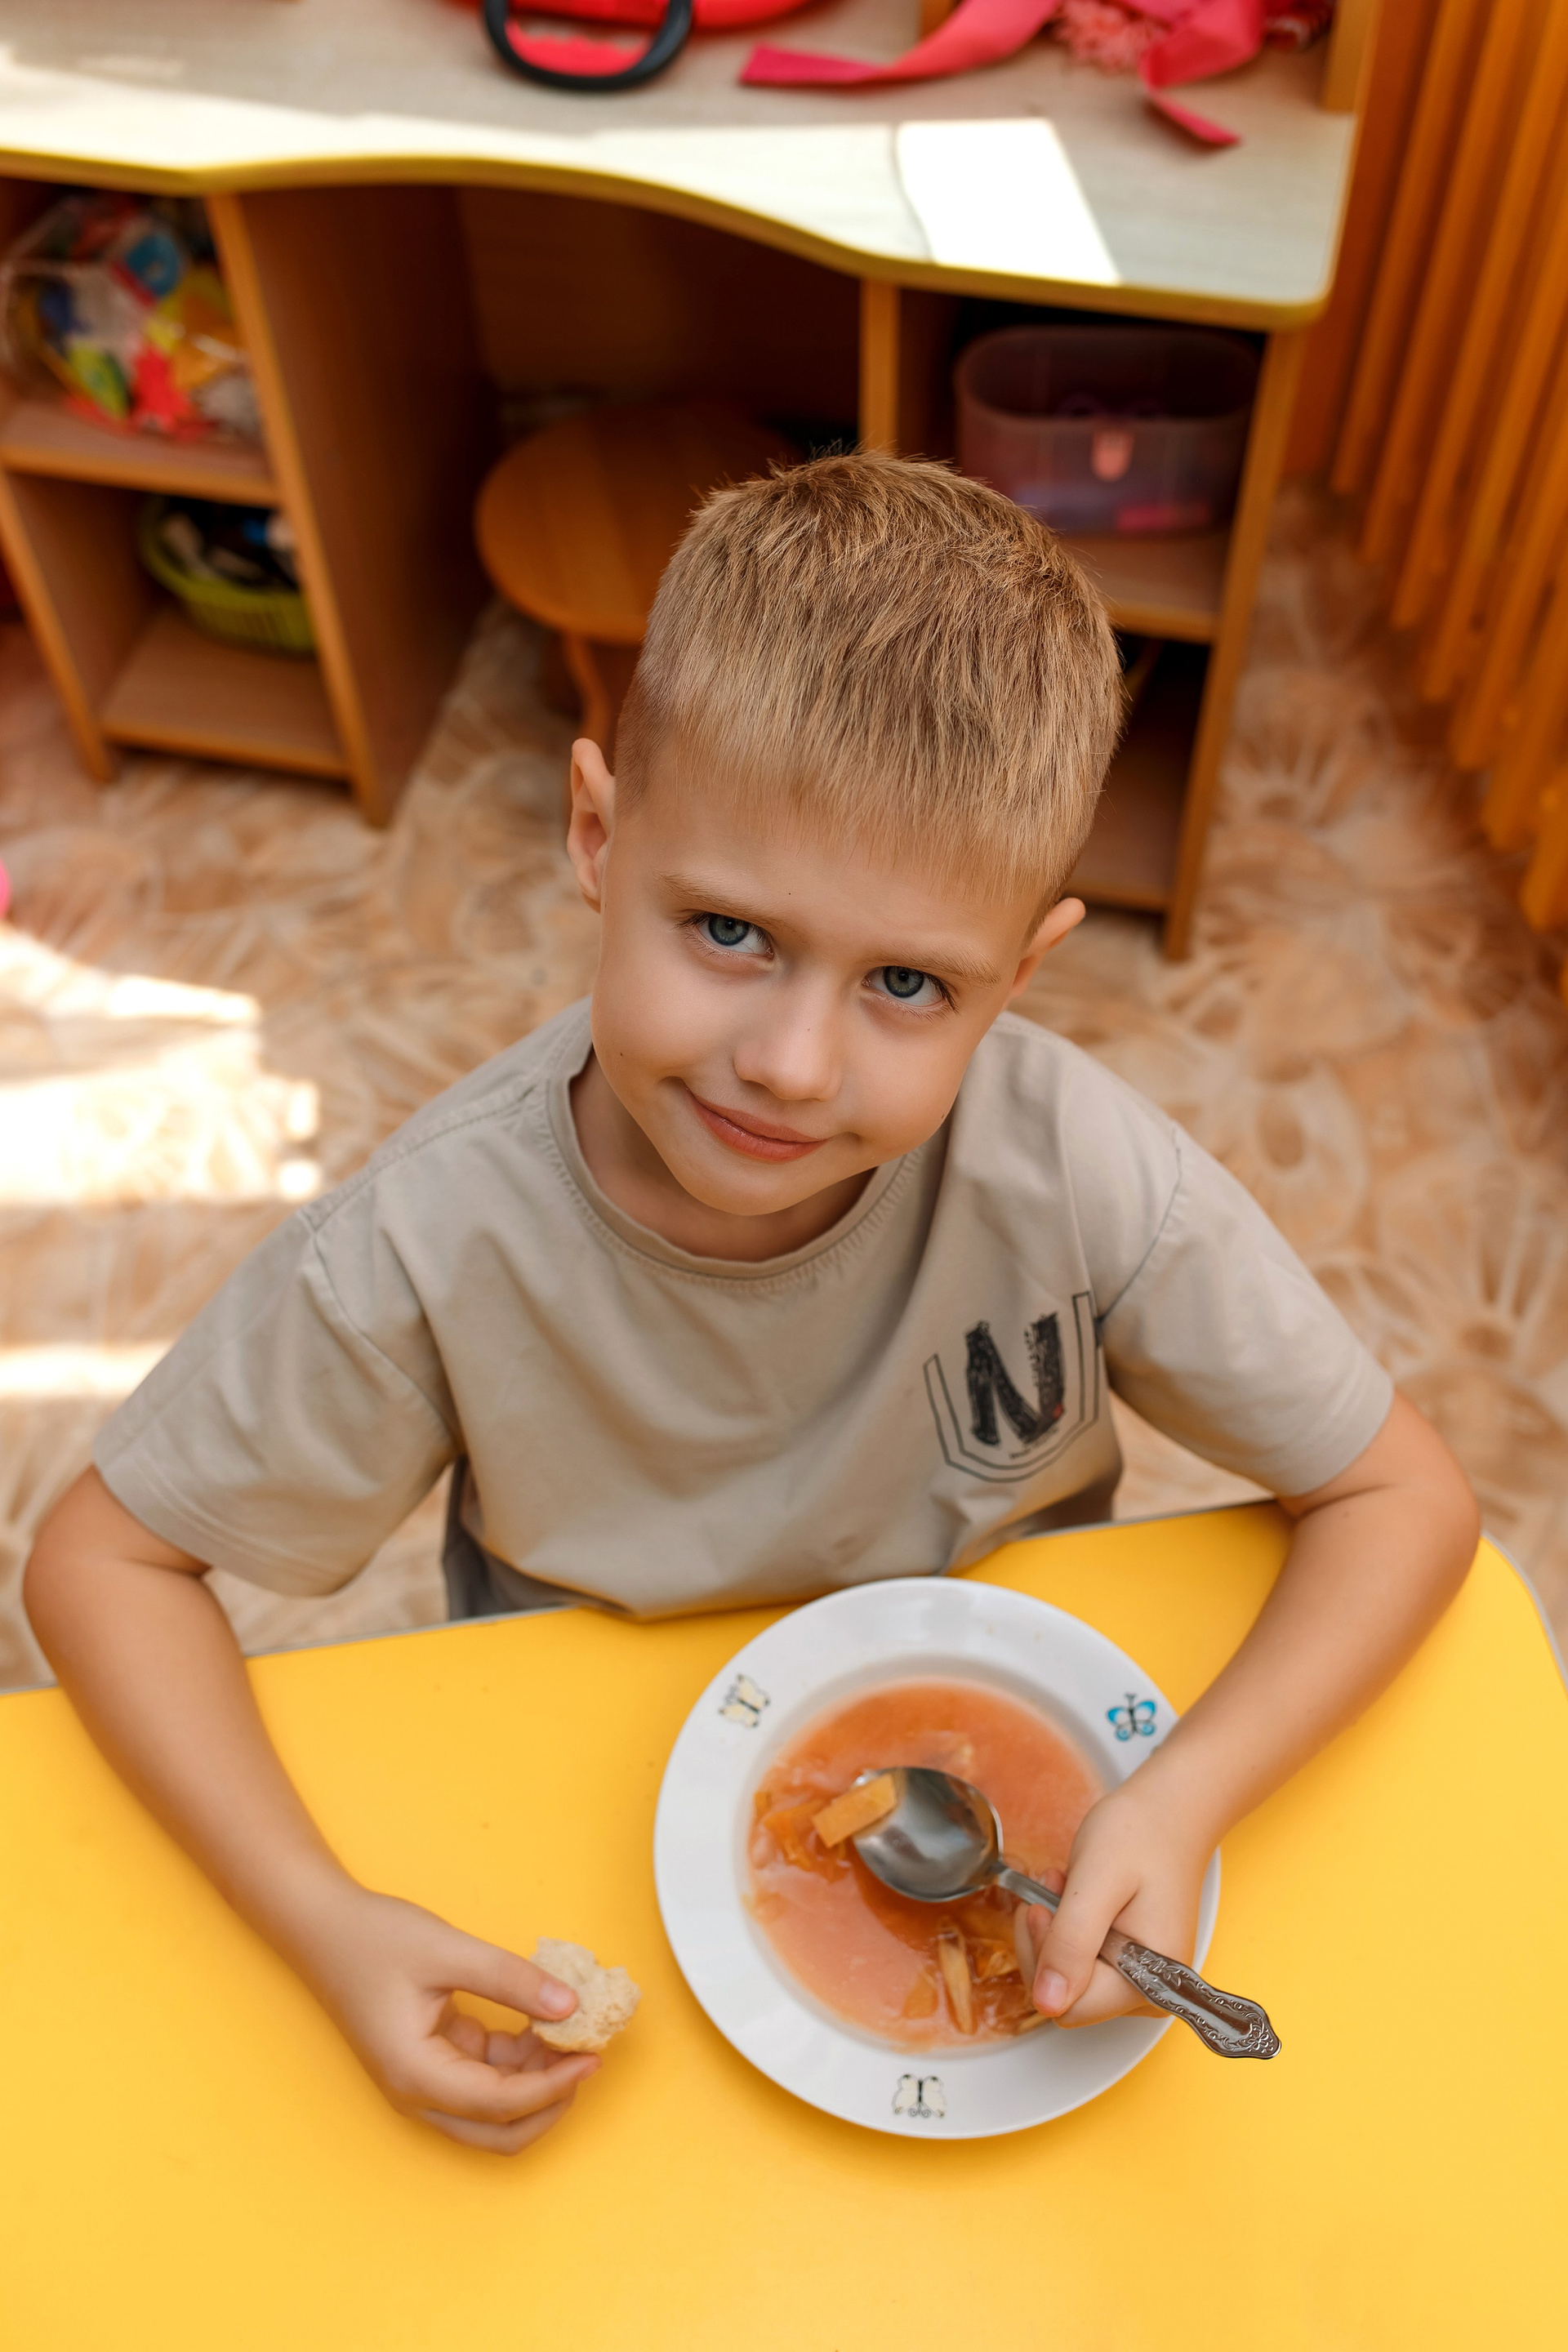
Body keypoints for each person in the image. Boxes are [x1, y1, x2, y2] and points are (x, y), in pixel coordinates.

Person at [25, 455, 1477, 2155]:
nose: (791, 1064)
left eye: (908, 982)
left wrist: (1187, 1795)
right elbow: (101, 1564)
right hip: (573, 1798)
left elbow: (1403, 1496)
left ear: (1020, 976)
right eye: (728, 930)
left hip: (996, 1764)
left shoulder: (1081, 1171)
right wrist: (322, 1923)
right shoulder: (427, 1241)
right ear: (596, 837)